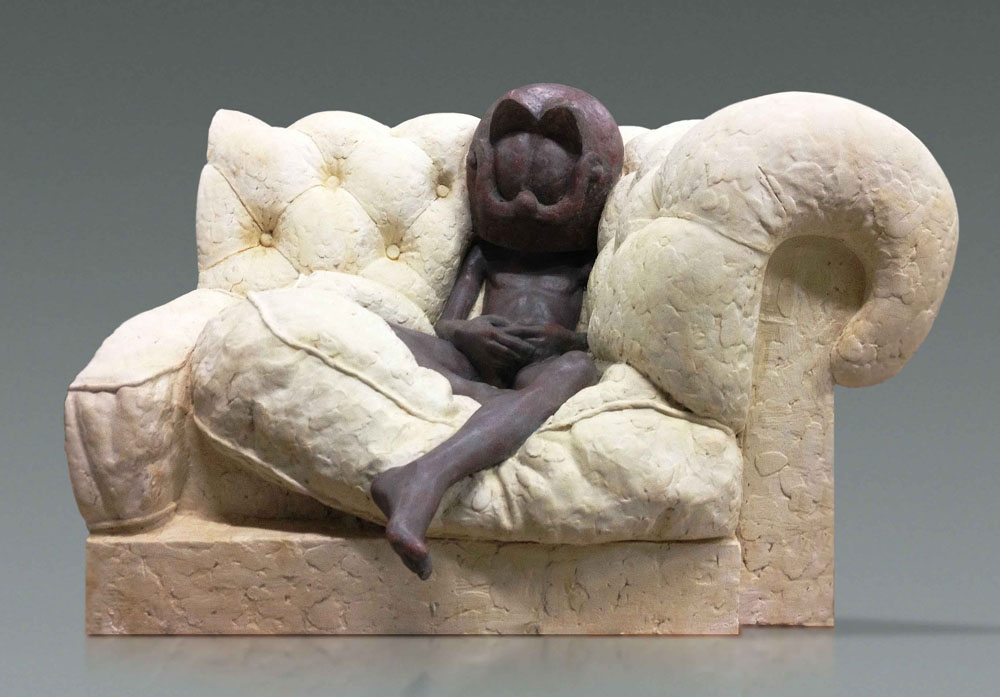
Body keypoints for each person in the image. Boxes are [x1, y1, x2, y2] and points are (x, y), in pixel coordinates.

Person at [370, 83, 624, 579]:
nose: (526, 203)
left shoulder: (586, 260)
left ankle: (426, 475)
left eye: (544, 190)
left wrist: (561, 340)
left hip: (541, 365)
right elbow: (445, 324)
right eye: (511, 187)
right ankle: (504, 409)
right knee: (377, 329)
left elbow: (597, 337)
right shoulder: (485, 253)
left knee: (579, 366)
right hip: (476, 360)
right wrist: (469, 334)